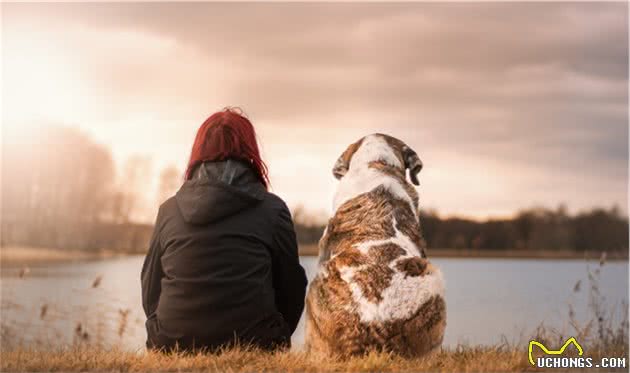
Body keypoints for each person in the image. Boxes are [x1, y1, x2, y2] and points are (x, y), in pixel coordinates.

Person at [141, 108, 307, 352]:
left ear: (198, 151)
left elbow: (150, 288)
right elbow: (291, 288)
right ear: (250, 152)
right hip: (257, 344)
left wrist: (165, 330)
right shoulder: (273, 210)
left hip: (171, 343)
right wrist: (275, 333)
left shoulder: (169, 210)